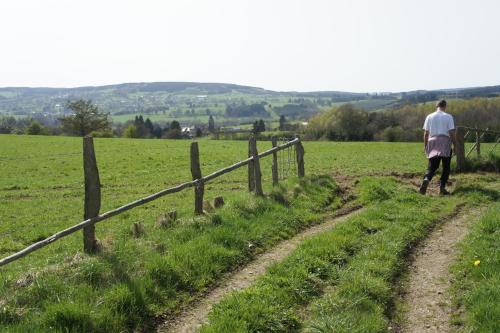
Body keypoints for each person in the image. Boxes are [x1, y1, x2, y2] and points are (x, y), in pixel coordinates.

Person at [419, 100, 456, 195]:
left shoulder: (429, 116)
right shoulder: (448, 116)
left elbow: (426, 133)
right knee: (446, 166)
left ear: (436, 106)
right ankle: (442, 188)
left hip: (433, 141)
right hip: (445, 142)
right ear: (445, 106)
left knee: (432, 165)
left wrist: (425, 145)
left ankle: (427, 178)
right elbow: (451, 132)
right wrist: (455, 145)